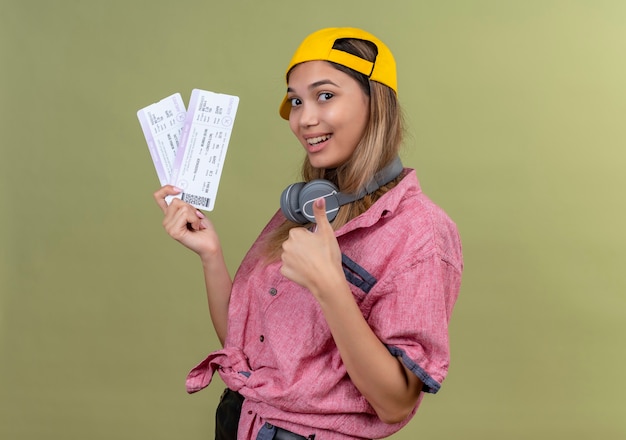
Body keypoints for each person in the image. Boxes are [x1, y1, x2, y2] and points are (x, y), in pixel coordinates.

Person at [154, 27, 463, 440]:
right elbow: (249, 347)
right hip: (241, 422)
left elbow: (395, 404)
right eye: (296, 101)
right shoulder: (309, 210)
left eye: (325, 95)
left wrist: (330, 286)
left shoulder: (420, 232)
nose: (305, 118)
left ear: (377, 103)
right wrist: (210, 255)